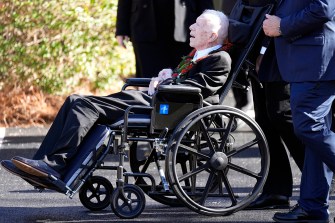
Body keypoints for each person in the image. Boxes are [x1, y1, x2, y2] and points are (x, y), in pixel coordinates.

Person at [1, 10, 232, 188]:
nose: (191, 26)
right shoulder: (199, 54)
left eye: (198, 25)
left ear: (211, 36)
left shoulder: (219, 58)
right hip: (160, 101)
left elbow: (198, 88)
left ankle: (55, 165)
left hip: (168, 109)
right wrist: (168, 75)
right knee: (74, 101)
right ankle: (42, 165)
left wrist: (166, 84)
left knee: (84, 105)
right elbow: (188, 80)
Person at [261, 1, 335, 222]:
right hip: (306, 59)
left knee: (308, 127)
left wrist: (283, 25)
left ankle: (312, 205)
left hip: (315, 61)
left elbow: (323, 8)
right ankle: (312, 206)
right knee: (315, 134)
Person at [246, 36, 305, 210]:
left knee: (282, 116)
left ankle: (320, 177)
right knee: (264, 122)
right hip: (258, 51)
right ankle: (276, 191)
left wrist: (263, 50)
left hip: (282, 51)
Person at [115, 0, 214, 78]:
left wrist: (210, 27)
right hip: (143, 24)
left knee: (180, 79)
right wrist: (121, 28)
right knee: (147, 79)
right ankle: (147, 103)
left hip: (184, 27)